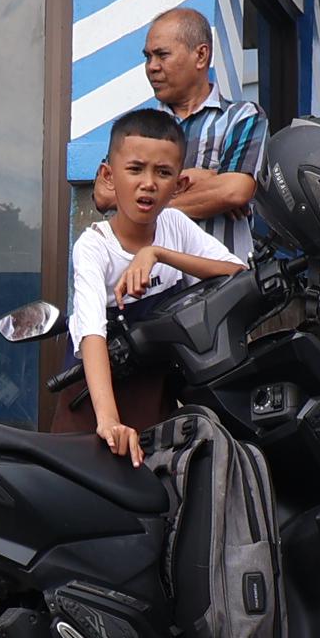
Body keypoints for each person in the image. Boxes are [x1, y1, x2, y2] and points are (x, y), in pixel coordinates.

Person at [69, 106, 242, 456]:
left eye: (163, 172)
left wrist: (158, 254)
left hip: (157, 393)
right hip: (96, 395)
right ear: (108, 175)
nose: (148, 183)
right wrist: (108, 421)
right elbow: (91, 333)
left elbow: (237, 272)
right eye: (134, 169)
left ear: (178, 185)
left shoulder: (175, 226)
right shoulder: (94, 245)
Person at [138, 6, 266, 257]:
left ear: (201, 55)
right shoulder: (139, 127)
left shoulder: (241, 117)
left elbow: (234, 191)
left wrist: (143, 204)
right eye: (147, 57)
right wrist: (208, 179)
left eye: (162, 55)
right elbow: (105, 194)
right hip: (152, 287)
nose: (152, 66)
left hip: (225, 288)